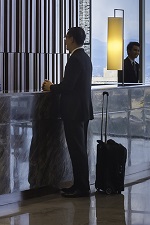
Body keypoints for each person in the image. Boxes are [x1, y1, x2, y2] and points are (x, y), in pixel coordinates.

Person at [42, 26, 93, 198]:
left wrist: (51, 87)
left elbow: (68, 86)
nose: (65, 41)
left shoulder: (75, 59)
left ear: (71, 39)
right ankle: (79, 185)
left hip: (74, 112)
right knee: (80, 150)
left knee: (77, 151)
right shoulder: (85, 58)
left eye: (66, 37)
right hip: (82, 111)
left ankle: (82, 188)